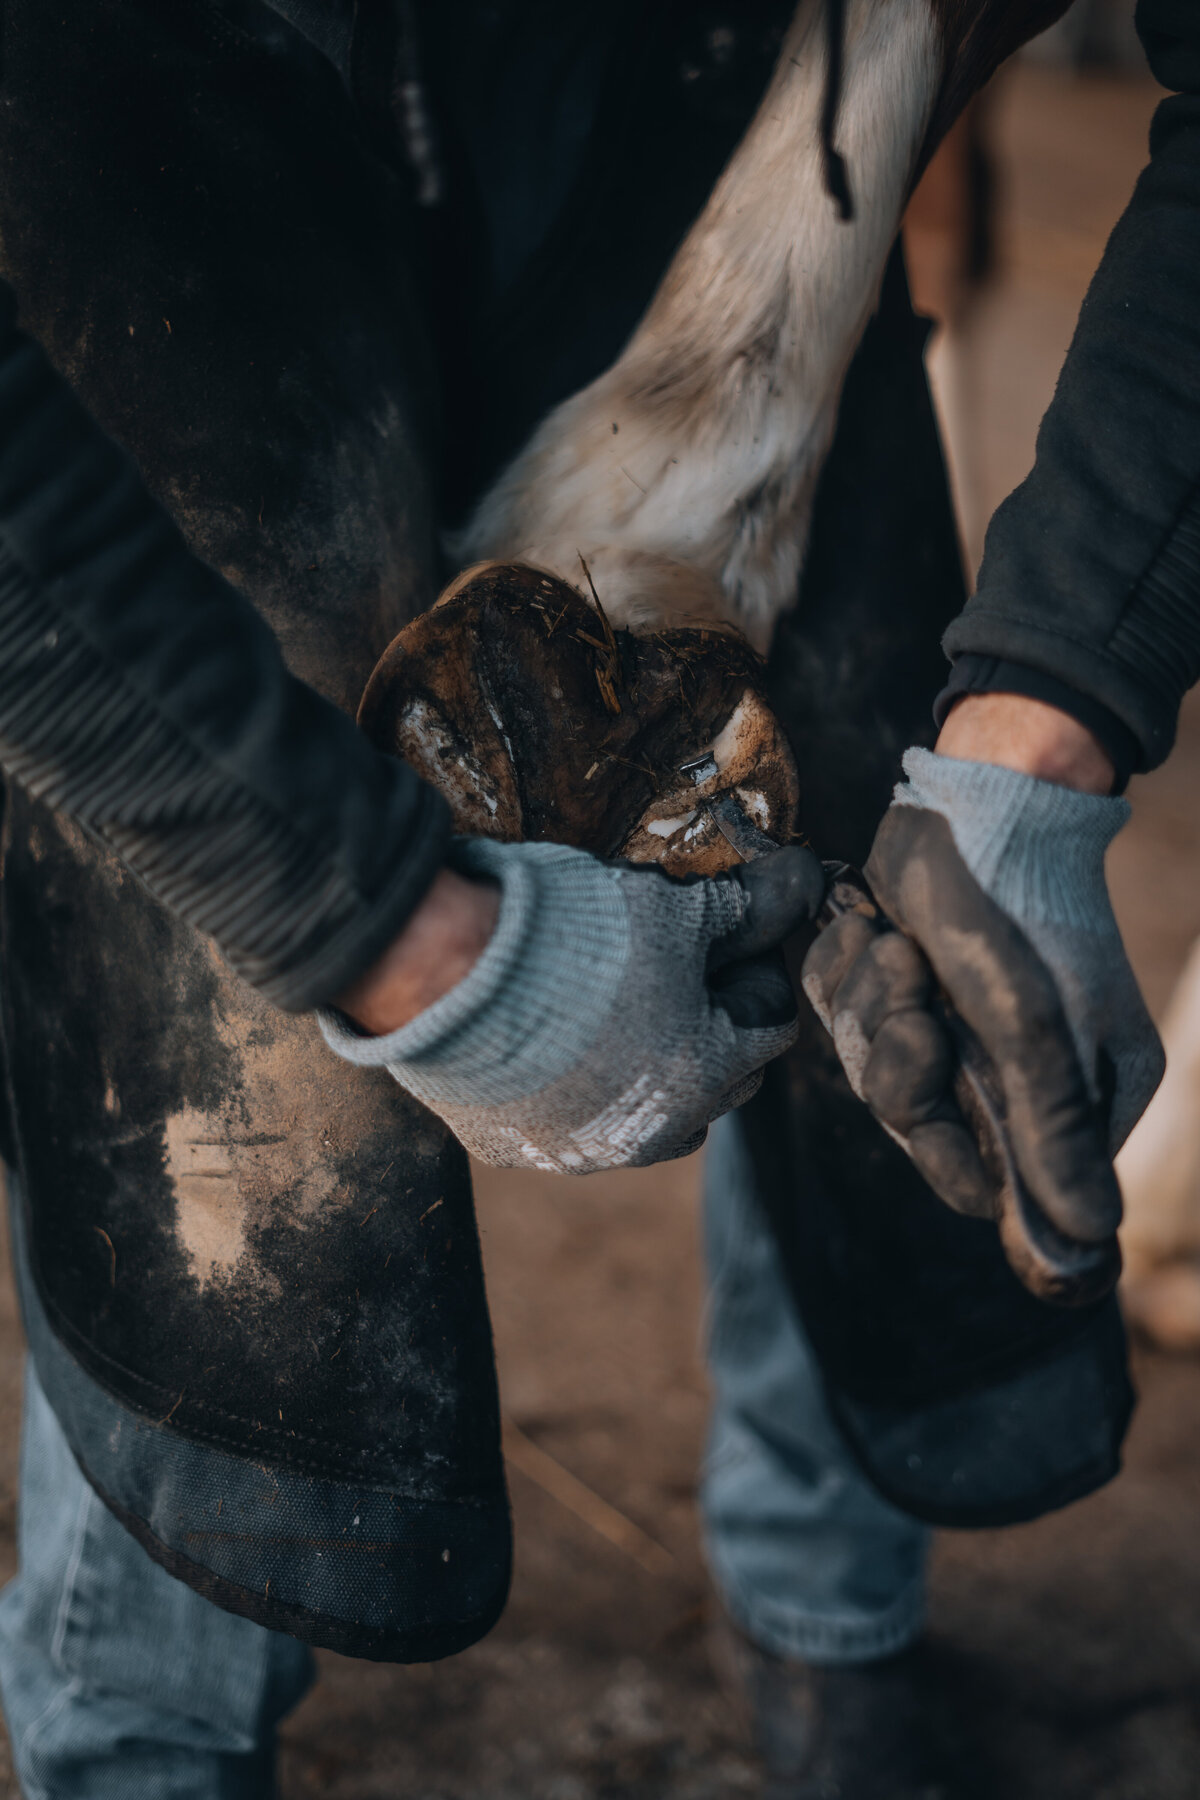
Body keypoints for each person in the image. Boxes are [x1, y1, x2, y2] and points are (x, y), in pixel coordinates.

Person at [0, 2, 1191, 1797]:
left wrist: (1042, 735)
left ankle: (830, 1630)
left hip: (732, 104)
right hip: (140, 108)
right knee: (204, 1045)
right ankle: (140, 1748)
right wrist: (388, 929)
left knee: (854, 833)